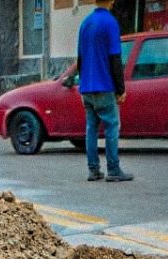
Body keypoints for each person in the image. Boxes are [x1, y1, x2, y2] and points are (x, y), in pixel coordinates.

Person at [64, 0, 133, 183]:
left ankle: (93, 170)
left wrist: (80, 82)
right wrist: (121, 89)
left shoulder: (85, 23)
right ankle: (113, 169)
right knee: (111, 127)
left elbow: (80, 58)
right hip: (104, 85)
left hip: (86, 87)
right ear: (111, 1)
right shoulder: (110, 23)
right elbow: (115, 58)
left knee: (91, 129)